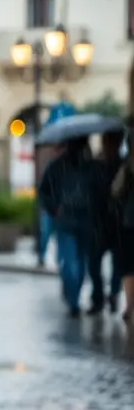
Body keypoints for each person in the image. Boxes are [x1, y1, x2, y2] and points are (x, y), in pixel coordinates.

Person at [38, 139, 100, 317]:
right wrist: (54, 207)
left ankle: (74, 297)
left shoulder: (91, 167)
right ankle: (73, 298)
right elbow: (44, 191)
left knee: (79, 262)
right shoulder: (58, 166)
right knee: (72, 262)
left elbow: (100, 192)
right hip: (67, 219)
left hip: (85, 219)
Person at [88, 131, 125, 315]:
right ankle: (98, 296)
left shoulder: (124, 166)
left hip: (118, 222)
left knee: (117, 262)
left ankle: (113, 294)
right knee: (94, 262)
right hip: (99, 221)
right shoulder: (96, 165)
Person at [110, 130, 134, 323]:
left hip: (130, 220)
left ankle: (129, 305)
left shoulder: (127, 166)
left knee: (128, 265)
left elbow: (116, 190)